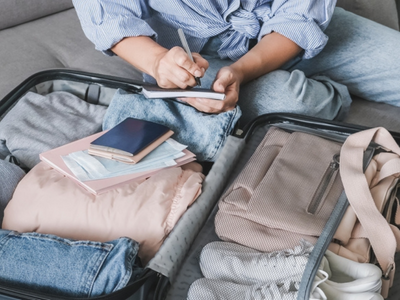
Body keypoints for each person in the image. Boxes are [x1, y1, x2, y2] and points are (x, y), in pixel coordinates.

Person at [72, 1, 400, 125]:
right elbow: (111, 18)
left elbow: (297, 16)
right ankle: (335, 91)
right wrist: (159, 63)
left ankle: (313, 71)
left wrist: (243, 69)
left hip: (286, 28)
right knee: (291, 102)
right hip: (190, 55)